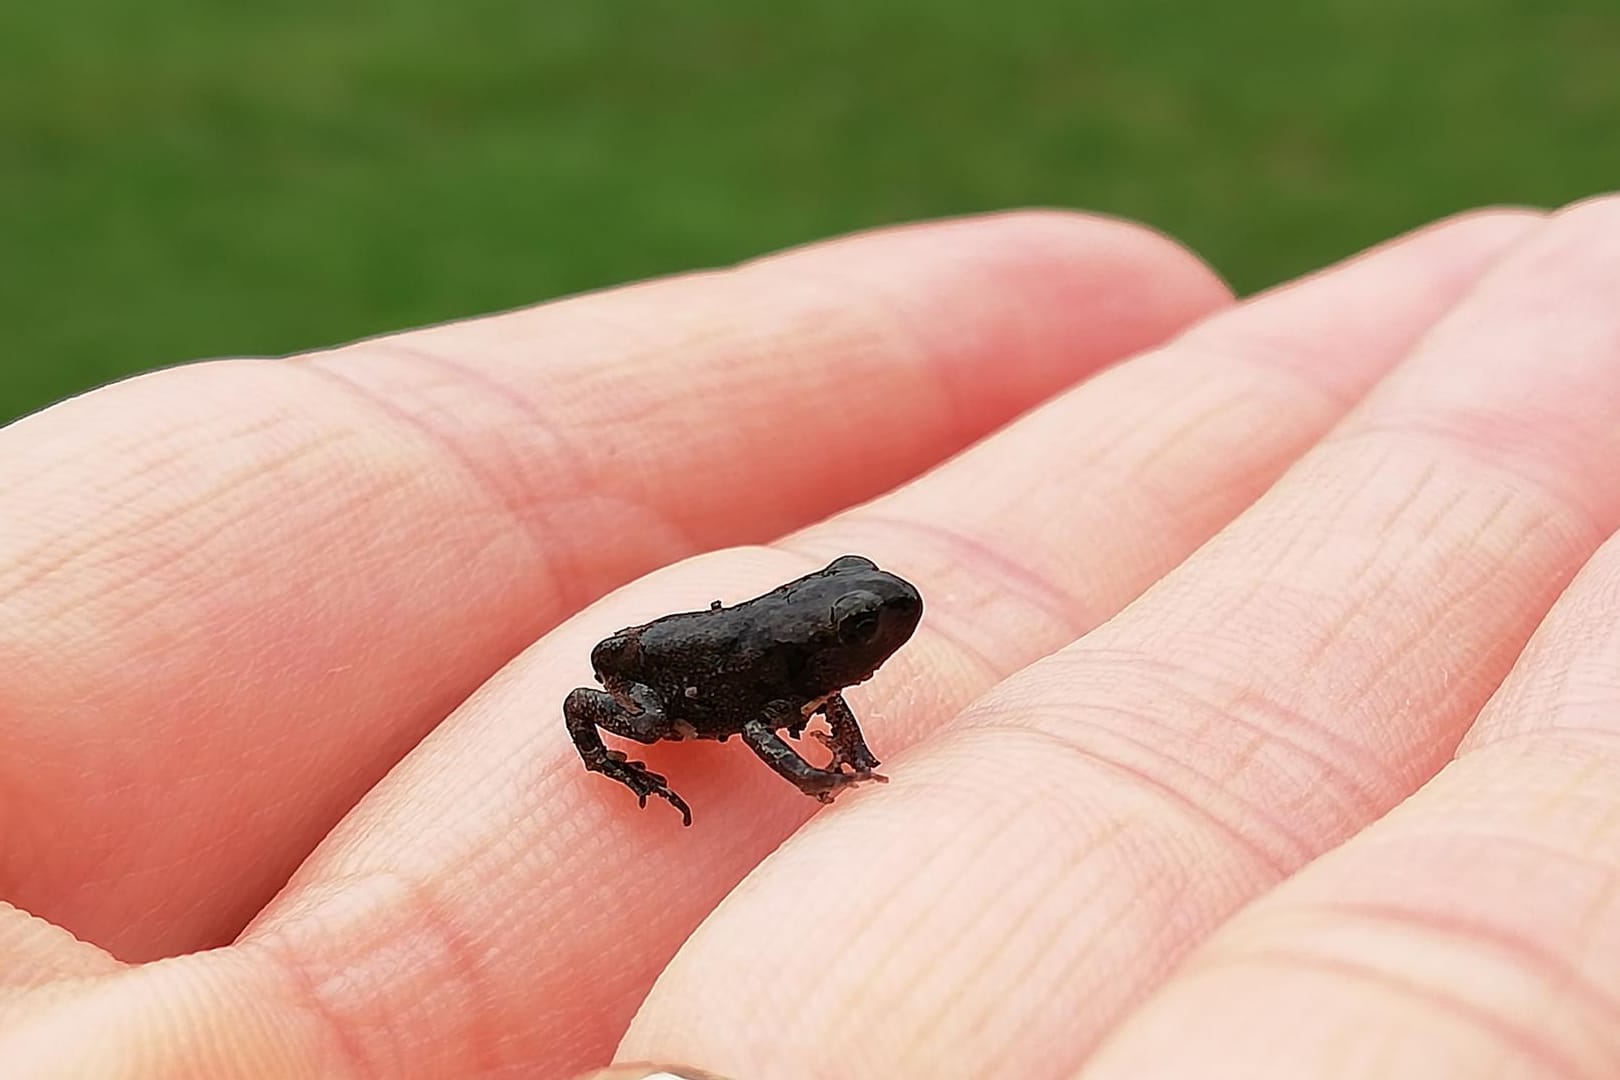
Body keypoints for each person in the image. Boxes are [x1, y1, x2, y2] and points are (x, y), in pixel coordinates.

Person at [1, 198, 1615, 1080]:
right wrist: (791, 775)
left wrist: (851, 755)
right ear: (825, 644)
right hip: (682, 675)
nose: (873, 638)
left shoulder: (822, 667)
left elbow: (823, 707)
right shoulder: (781, 689)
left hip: (731, 643)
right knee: (602, 695)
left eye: (866, 624)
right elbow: (766, 724)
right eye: (863, 622)